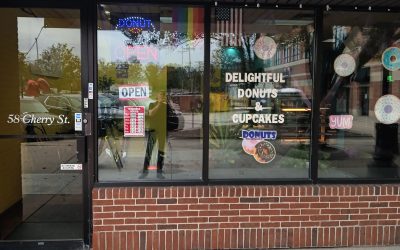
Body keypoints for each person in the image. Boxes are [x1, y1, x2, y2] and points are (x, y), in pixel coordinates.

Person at [139, 91, 168, 179]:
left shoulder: (166, 106)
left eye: (163, 96)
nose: (162, 97)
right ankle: (145, 170)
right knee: (149, 150)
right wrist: (159, 104)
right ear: (157, 97)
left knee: (161, 150)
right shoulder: (152, 104)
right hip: (153, 130)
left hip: (162, 131)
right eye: (160, 95)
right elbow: (151, 113)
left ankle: (159, 170)